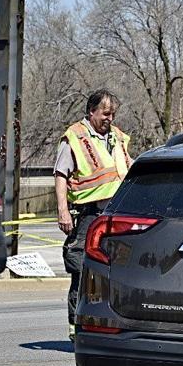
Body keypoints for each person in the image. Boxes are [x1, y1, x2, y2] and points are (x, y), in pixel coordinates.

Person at [54, 90, 133, 340]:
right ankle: (75, 327)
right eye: (106, 113)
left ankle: (111, 323)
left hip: (117, 215)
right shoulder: (75, 138)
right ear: (92, 111)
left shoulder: (118, 138)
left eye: (113, 114)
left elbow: (128, 170)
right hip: (90, 214)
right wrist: (62, 211)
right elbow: (60, 175)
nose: (110, 118)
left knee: (117, 270)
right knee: (82, 268)